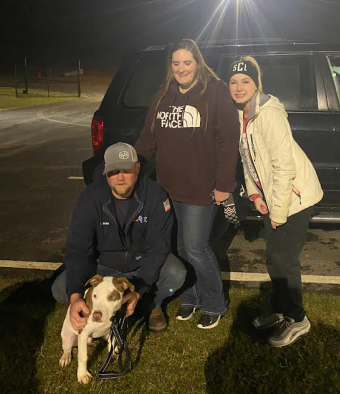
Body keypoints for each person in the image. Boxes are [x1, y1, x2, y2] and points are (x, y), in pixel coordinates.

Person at [135, 39, 240, 329]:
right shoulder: (162, 95)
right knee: (179, 247)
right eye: (176, 63)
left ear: (198, 63)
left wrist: (224, 184)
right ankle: (190, 298)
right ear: (171, 66)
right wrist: (131, 166)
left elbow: (228, 141)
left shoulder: (215, 92)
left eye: (187, 62)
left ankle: (214, 302)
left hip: (200, 189)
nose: (182, 69)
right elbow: (148, 139)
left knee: (196, 248)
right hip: (168, 188)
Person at [228, 56, 323, 347]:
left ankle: (297, 319)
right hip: (273, 198)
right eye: (233, 82)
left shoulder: (269, 114)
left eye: (246, 81)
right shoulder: (241, 115)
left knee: (285, 260)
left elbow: (284, 166)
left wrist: (278, 211)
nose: (239, 87)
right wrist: (255, 194)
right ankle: (281, 309)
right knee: (274, 257)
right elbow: (247, 160)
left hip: (293, 198)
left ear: (256, 84)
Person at [51, 142, 186, 333]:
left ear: (137, 168)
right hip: (103, 266)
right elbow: (78, 248)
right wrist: (75, 297)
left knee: (176, 273)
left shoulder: (155, 195)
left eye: (126, 170)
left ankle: (151, 304)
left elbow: (158, 248)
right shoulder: (89, 198)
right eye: (114, 172)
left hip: (140, 263)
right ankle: (100, 306)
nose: (120, 177)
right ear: (106, 172)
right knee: (61, 289)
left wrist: (137, 291)